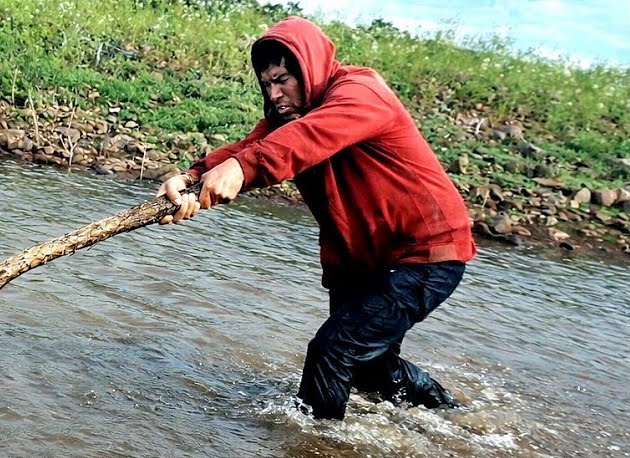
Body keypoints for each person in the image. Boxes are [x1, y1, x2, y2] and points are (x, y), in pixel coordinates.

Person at [157, 16, 476, 420]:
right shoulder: (287, 119)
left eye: (284, 80)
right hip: (364, 260)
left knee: (333, 349)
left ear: (309, 69)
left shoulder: (360, 93)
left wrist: (241, 169)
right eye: (266, 84)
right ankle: (456, 418)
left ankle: (316, 451)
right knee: (367, 367)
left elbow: (304, 139)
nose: (275, 94)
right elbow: (256, 144)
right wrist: (191, 178)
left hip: (426, 252)